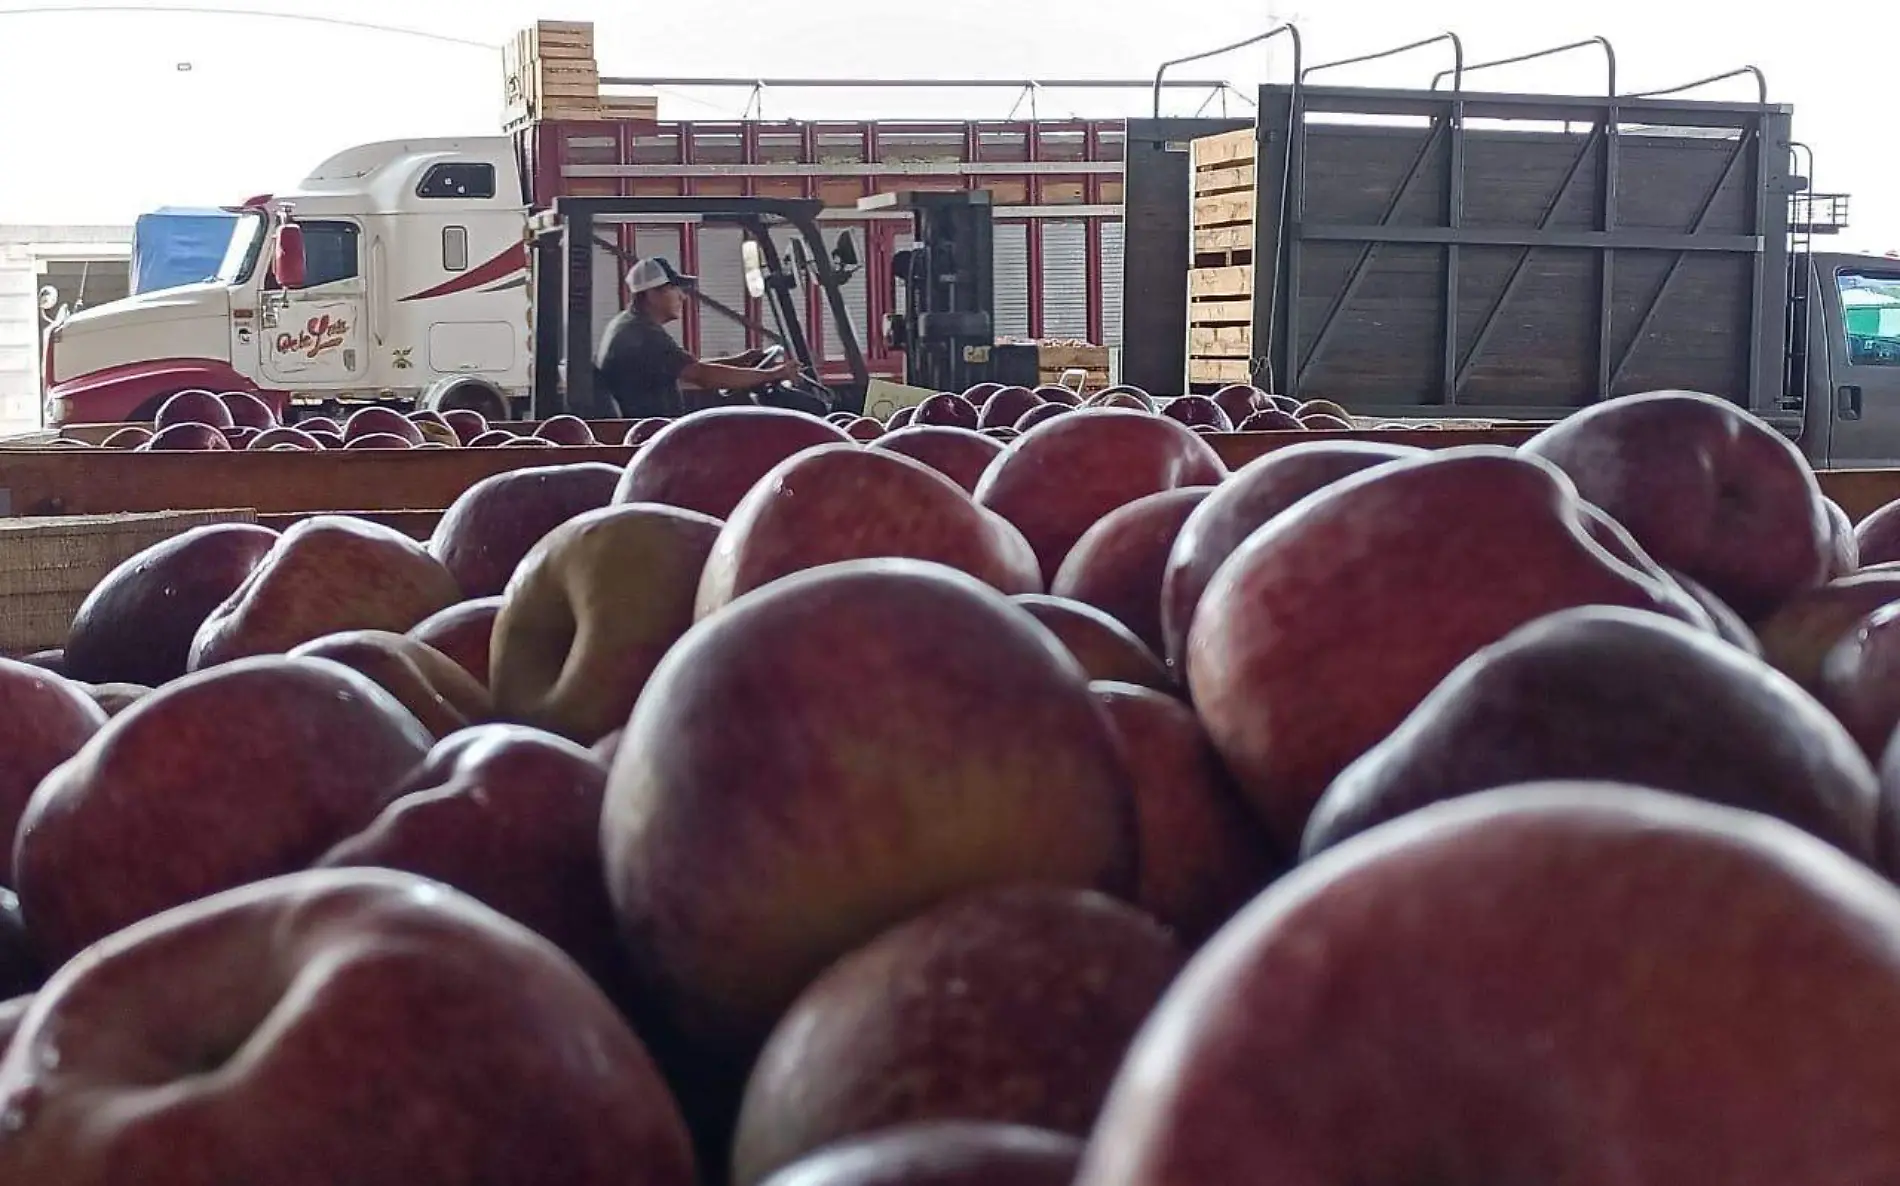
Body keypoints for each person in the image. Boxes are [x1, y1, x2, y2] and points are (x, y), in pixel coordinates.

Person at [595, 257, 798, 419]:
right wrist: (772, 375)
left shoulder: (632, 325)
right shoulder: (643, 335)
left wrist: (739, 362)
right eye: (675, 289)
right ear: (651, 294)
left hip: (651, 428)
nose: (683, 297)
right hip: (652, 436)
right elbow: (702, 375)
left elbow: (687, 367)